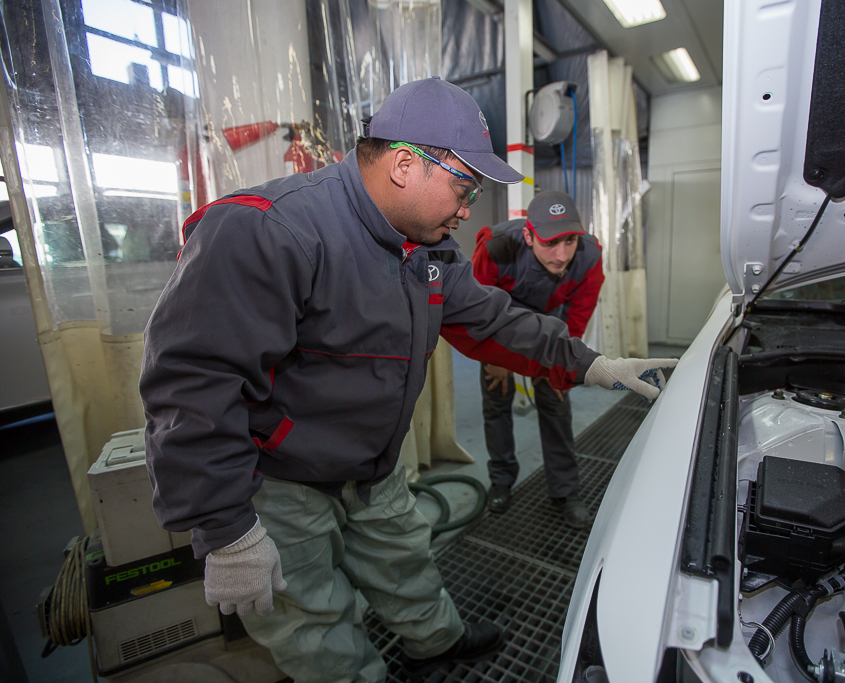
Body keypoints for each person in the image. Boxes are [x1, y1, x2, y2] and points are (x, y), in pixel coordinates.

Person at [140, 77, 676, 683]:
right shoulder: (270, 231)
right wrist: (225, 526)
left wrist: (593, 363)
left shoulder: (424, 249)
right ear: (403, 164)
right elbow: (190, 387)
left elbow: (498, 321)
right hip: (282, 480)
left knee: (405, 563)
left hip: (375, 462)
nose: (469, 208)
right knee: (312, 618)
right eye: (464, 186)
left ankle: (436, 642)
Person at [472, 191, 604, 527]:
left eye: (570, 241)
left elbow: (577, 319)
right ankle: (501, 479)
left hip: (551, 320)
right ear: (529, 236)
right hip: (500, 319)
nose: (561, 256)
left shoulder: (589, 257)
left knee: (555, 398)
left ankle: (565, 490)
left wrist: (559, 364)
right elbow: (476, 309)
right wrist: (494, 358)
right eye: (550, 244)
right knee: (496, 395)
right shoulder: (496, 248)